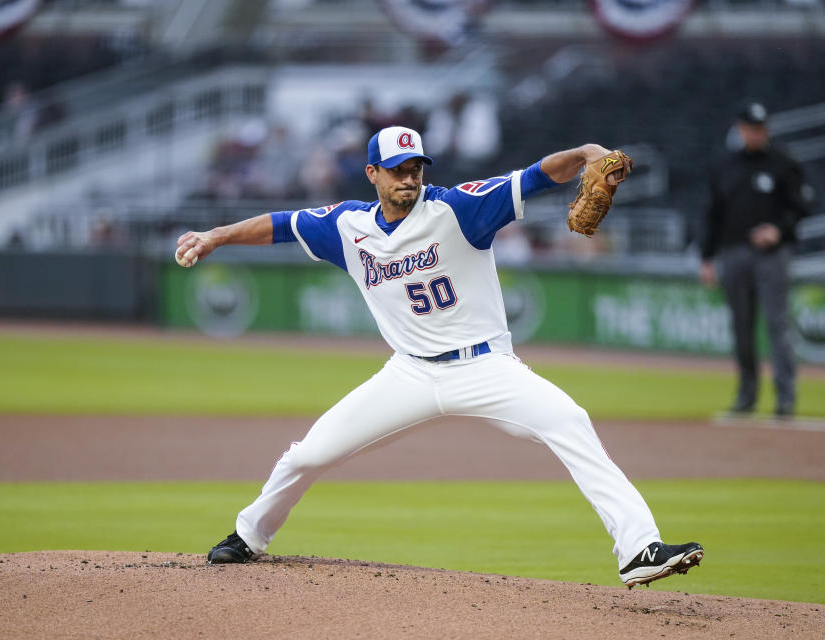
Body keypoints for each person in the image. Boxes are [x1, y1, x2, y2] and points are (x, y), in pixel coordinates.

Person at [176, 126, 704, 588]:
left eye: (416, 167)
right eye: (397, 169)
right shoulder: (347, 226)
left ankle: (638, 549)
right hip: (408, 372)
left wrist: (590, 151)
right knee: (309, 454)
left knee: (569, 420)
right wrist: (216, 236)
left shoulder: (460, 209)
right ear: (372, 174)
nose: (409, 177)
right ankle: (248, 535)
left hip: (486, 367)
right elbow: (283, 224)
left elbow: (539, 176)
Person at [700, 102, 812, 418]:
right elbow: (713, 214)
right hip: (733, 252)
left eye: (761, 129)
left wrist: (779, 229)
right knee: (741, 327)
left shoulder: (783, 163)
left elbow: (802, 206)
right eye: (750, 128)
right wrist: (707, 257)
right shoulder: (724, 165)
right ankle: (746, 395)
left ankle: (785, 398)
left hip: (772, 256)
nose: (756, 134)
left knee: (778, 325)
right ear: (740, 129)